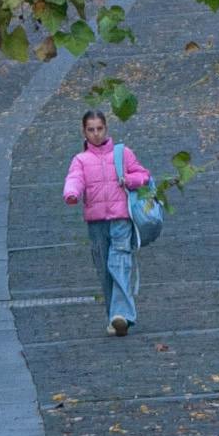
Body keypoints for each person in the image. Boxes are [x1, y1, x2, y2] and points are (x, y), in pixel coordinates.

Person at [62, 107, 152, 334]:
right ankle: (115, 317)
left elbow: (144, 176)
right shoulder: (80, 160)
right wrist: (71, 193)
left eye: (100, 128)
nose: (96, 134)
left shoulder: (123, 154)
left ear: (106, 128)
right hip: (96, 222)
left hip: (121, 218)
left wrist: (129, 180)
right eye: (91, 130)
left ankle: (123, 315)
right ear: (83, 132)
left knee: (119, 264)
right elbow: (75, 179)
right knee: (104, 269)